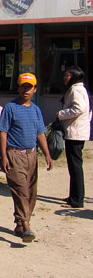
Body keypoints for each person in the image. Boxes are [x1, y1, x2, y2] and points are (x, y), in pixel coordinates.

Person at [0, 72, 53, 243]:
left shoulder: (36, 110)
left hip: (32, 155)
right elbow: (3, 133)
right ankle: (27, 225)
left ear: (35, 90)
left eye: (29, 87)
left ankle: (20, 224)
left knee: (30, 192)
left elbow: (41, 134)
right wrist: (3, 156)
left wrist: (47, 155)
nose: (25, 90)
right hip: (15, 155)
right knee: (21, 191)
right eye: (23, 86)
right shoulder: (10, 108)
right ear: (18, 87)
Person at [57, 66, 91, 209]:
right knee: (73, 166)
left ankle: (77, 199)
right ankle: (74, 196)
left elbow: (80, 108)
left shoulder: (76, 90)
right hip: (77, 131)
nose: (65, 78)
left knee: (75, 167)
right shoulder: (79, 89)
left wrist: (61, 114)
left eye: (67, 75)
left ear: (74, 76)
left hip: (75, 133)